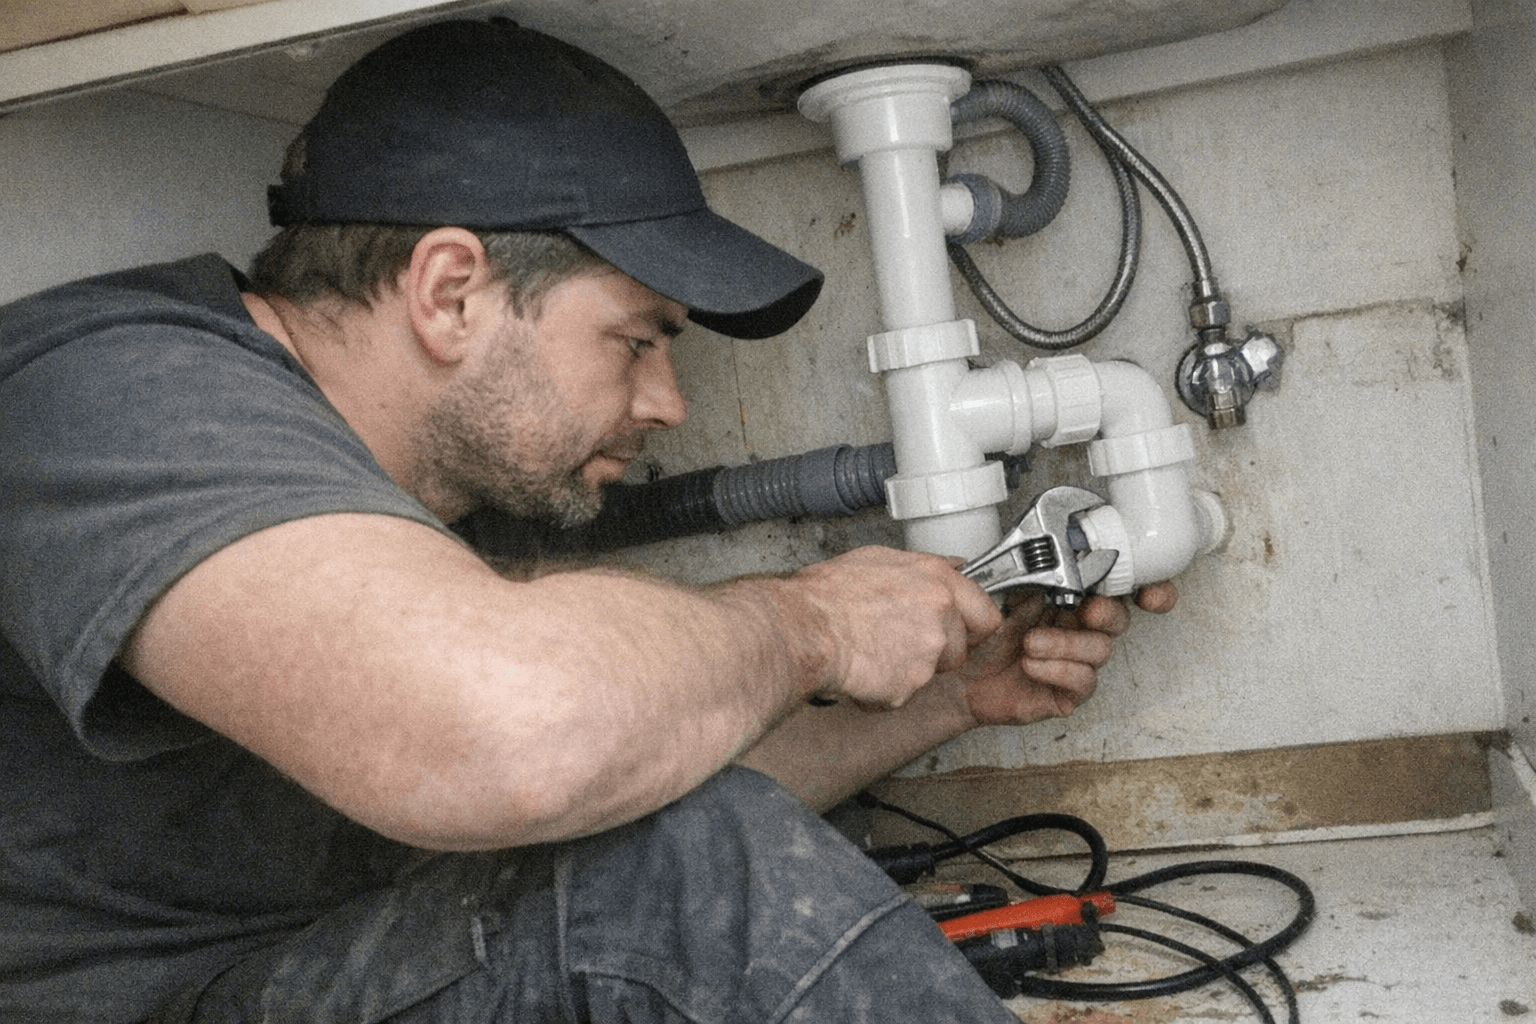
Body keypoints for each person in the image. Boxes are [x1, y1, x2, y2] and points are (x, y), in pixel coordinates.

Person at [0, 18, 1176, 1024]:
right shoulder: (114, 393)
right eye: (638, 338)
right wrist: (808, 622)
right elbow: (520, 739)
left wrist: (948, 694)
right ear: (450, 291)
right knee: (676, 871)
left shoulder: (357, 489)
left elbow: (621, 770)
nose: (666, 403)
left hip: (296, 966)